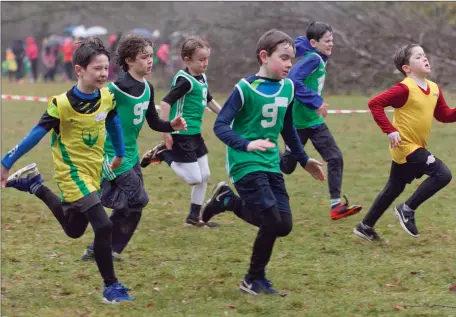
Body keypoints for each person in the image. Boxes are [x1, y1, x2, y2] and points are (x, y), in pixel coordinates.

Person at [1, 38, 134, 303]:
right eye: (97, 68)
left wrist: (119, 153)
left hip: (92, 171)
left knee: (74, 229)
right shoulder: (61, 104)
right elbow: (35, 134)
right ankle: (111, 287)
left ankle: (35, 184)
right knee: (104, 225)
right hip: (71, 174)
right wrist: (6, 161)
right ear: (79, 70)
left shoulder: (107, 97)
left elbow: (114, 123)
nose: (103, 73)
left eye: (106, 68)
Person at [201, 29, 325, 295]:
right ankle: (253, 278)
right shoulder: (245, 89)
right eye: (284, 58)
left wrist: (303, 160)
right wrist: (246, 144)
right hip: (244, 162)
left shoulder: (288, 87)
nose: (290, 64)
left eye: (292, 58)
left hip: (270, 162)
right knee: (270, 219)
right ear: (264, 56)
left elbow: (287, 128)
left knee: (283, 225)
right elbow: (221, 126)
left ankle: (227, 200)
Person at [81, 34, 187, 261]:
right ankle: (96, 227)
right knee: (138, 199)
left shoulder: (148, 88)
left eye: (151, 56)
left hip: (132, 155)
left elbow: (153, 121)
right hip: (113, 156)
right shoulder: (114, 90)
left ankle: (103, 250)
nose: (150, 61)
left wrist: (171, 125)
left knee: (134, 207)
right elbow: (92, 117)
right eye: (144, 57)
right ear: (129, 60)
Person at [353, 44, 456, 241]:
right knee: (443, 174)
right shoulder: (404, 89)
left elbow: (444, 115)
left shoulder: (433, 88)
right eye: (418, 57)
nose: (425, 59)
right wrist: (390, 130)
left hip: (417, 146)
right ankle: (407, 209)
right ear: (406, 68)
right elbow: (374, 104)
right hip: (405, 146)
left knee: (394, 187)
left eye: (425, 55)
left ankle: (365, 226)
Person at [279, 22, 362, 220]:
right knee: (287, 167)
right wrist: (316, 101)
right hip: (297, 123)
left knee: (335, 157)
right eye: (327, 41)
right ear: (314, 43)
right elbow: (293, 79)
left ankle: (336, 206)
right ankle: (267, 150)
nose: (331, 44)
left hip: (314, 122)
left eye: (332, 40)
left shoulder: (317, 54)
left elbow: (300, 43)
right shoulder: (314, 59)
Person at [140, 36, 222, 227]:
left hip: (194, 134)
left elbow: (208, 99)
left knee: (205, 176)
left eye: (206, 59)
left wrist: (226, 115)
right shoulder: (184, 81)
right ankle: (162, 153)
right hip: (181, 135)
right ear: (187, 59)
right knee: (194, 178)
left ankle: (193, 218)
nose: (205, 63)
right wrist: (166, 132)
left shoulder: (201, 78)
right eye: (200, 60)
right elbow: (165, 103)